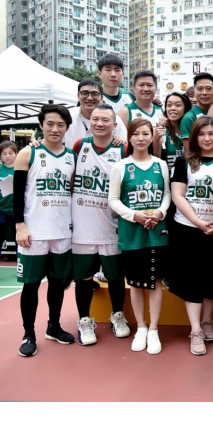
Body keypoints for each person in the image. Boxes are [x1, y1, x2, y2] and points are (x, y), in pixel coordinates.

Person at [13, 105, 76, 357]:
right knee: (30, 286)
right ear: (41, 125)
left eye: (60, 125)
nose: (55, 129)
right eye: (50, 123)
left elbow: (70, 191)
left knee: (57, 284)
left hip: (62, 231)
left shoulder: (71, 156)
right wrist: (20, 226)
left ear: (67, 128)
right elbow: (18, 194)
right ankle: (28, 333)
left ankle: (54, 326)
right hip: (34, 232)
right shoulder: (27, 153)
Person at [170, 116, 213, 355]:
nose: (207, 138)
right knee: (192, 279)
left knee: (212, 277)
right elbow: (178, 195)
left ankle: (207, 321)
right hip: (188, 229)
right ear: (195, 137)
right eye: (201, 134)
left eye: (211, 133)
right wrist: (197, 222)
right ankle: (195, 330)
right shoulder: (183, 161)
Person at [108, 119, 171, 355]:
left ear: (152, 137)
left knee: (155, 281)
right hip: (132, 232)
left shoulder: (160, 165)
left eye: (146, 133)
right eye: (136, 134)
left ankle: (154, 329)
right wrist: (134, 215)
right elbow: (113, 199)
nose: (141, 138)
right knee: (135, 283)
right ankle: (141, 328)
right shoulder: (121, 166)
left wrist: (160, 212)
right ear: (130, 138)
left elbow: (166, 194)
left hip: (157, 231)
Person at [71, 104, 131, 346]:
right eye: (95, 119)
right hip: (83, 225)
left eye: (105, 120)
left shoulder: (123, 149)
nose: (99, 123)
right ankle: (84, 320)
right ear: (90, 122)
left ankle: (118, 315)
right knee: (84, 278)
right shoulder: (79, 146)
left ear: (114, 125)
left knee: (115, 277)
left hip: (112, 224)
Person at [64, 79, 127, 148]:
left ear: (102, 98)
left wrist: (121, 140)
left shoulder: (114, 119)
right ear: (78, 96)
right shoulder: (66, 116)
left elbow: (124, 141)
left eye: (94, 94)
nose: (89, 98)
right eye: (84, 93)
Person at [181, 73, 213, 153]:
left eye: (208, 89)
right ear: (195, 93)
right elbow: (190, 152)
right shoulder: (189, 117)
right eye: (200, 89)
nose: (204, 93)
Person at [157, 92, 191, 171]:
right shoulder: (162, 131)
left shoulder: (193, 130)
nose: (172, 108)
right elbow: (156, 158)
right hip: (169, 177)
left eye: (178, 105)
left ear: (185, 108)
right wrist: (156, 138)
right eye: (169, 105)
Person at [0, 142, 17, 259]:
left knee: (20, 241)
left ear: (16, 154)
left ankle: (22, 265)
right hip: (1, 210)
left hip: (19, 210)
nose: (8, 156)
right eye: (4, 153)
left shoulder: (22, 168)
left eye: (11, 153)